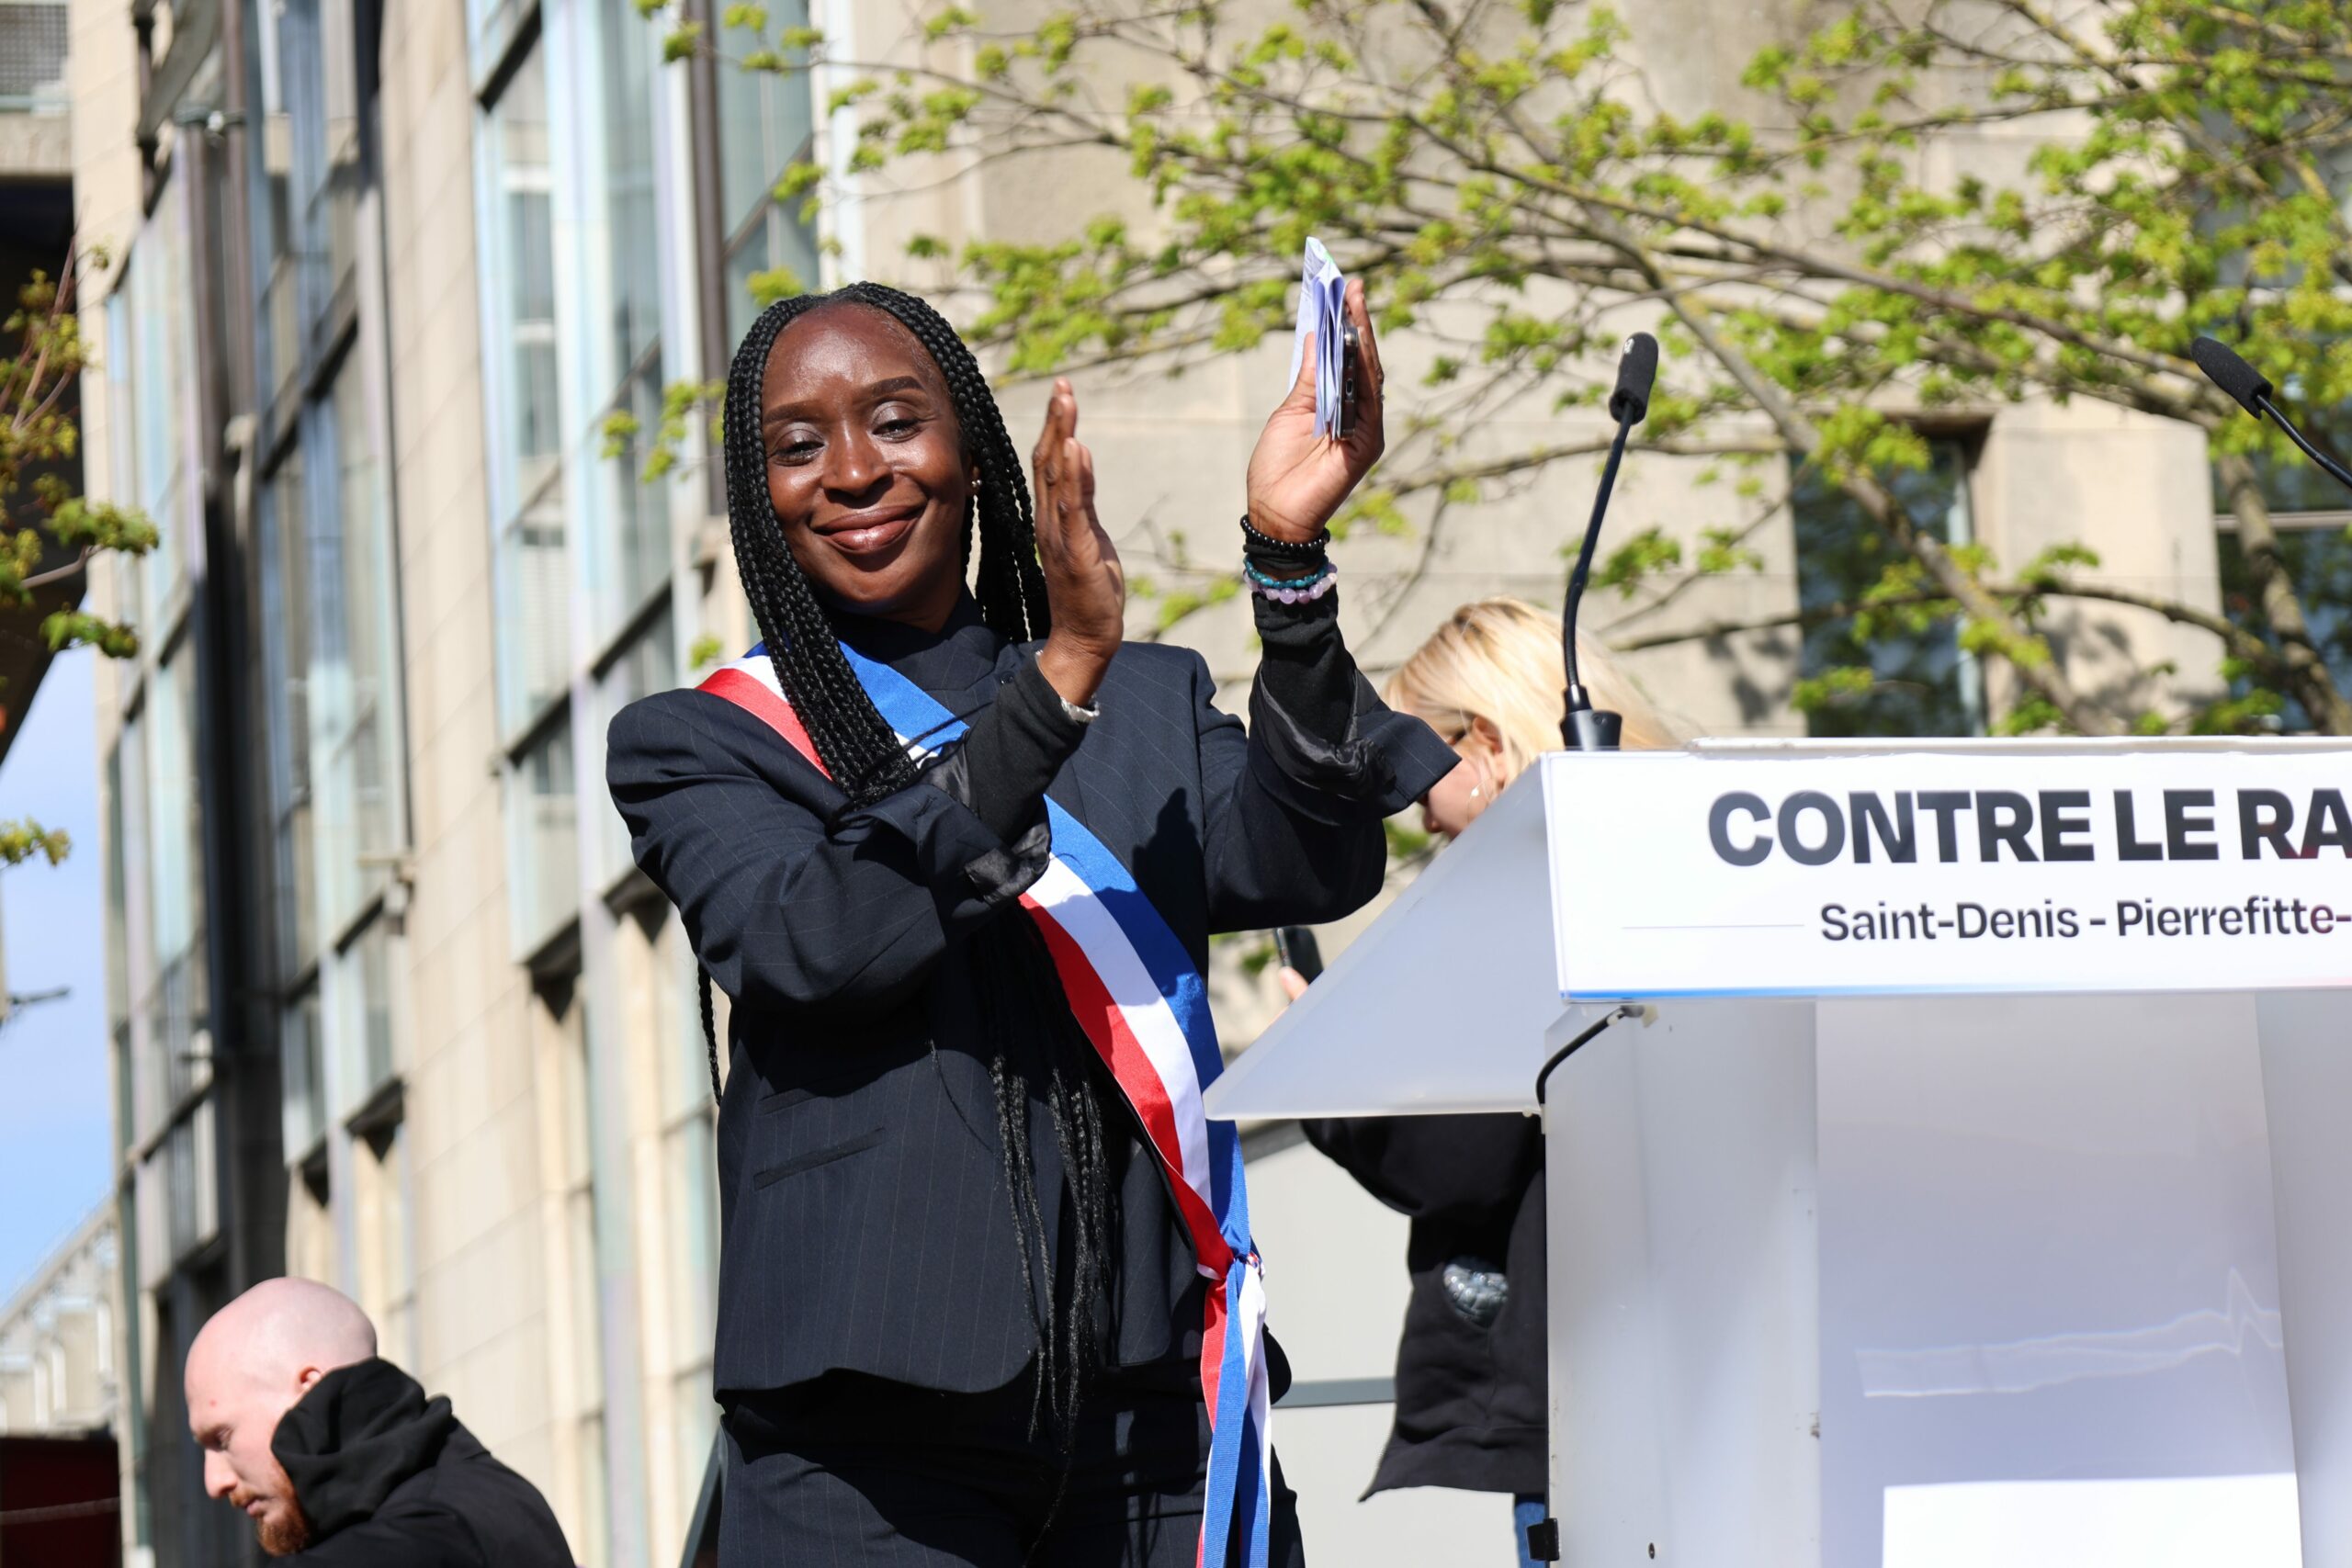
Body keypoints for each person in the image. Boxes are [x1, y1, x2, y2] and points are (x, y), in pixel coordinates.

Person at [605, 280, 1453, 1567]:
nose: (850, 471)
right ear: (757, 492)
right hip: (868, 1440)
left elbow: (1306, 860)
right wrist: (1055, 682)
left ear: (974, 449)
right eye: (795, 444)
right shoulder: (704, 740)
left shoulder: (1145, 694)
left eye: (895, 420)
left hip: (1155, 1418)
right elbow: (811, 941)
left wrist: (1286, 565)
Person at [1292, 598, 1674, 1566]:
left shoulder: (1524, 899)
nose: (1405, 797)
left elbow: (1451, 1158)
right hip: (1713, 1371)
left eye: (1412, 758)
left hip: (1576, 1411)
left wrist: (1323, 1063)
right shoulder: (1673, 865)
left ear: (1491, 744)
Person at [183, 1277, 572, 1565]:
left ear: (310, 1389)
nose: (215, 1482)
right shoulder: (469, 1492)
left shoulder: (434, 1529)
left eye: (223, 1437)